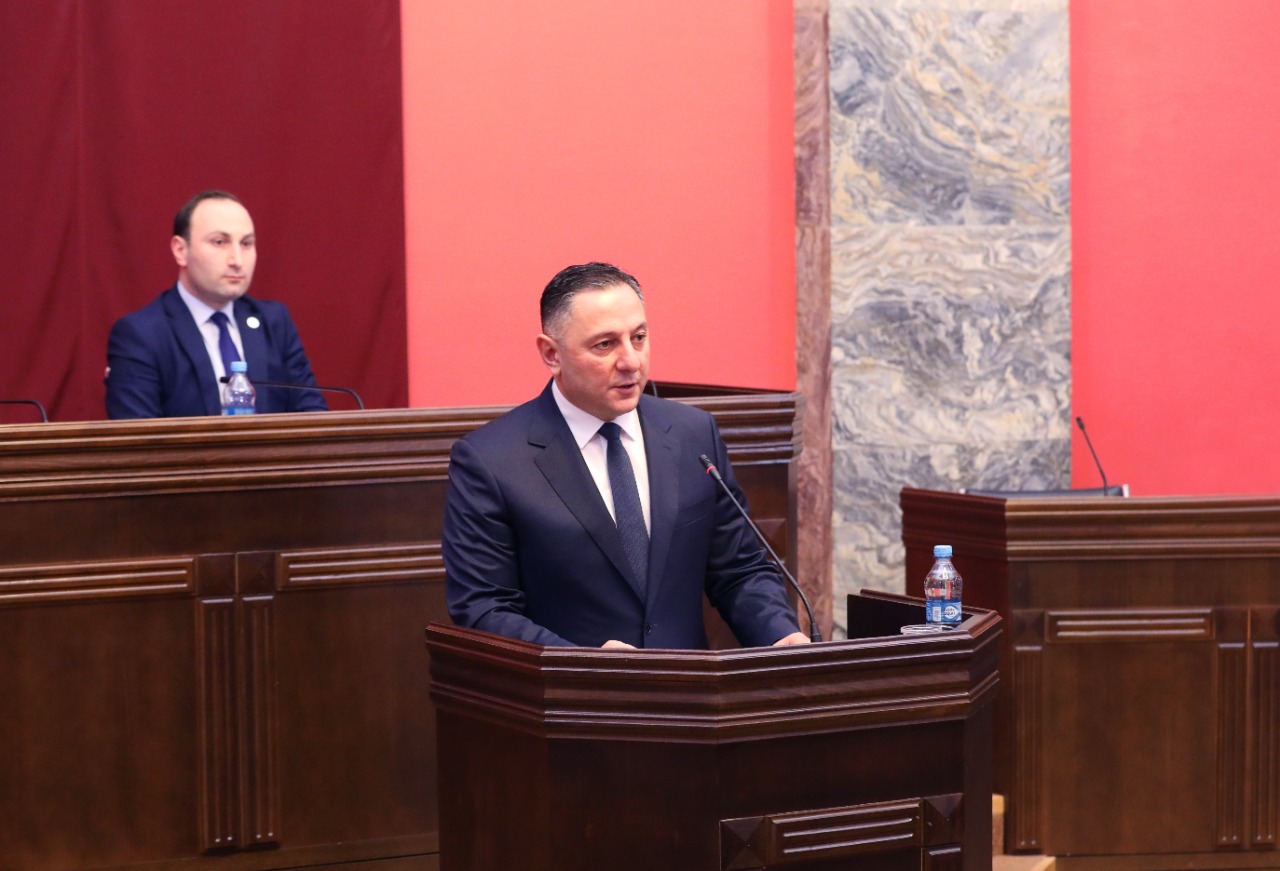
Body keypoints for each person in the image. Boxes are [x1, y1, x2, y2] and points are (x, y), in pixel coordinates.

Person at [443, 262, 809, 649]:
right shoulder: (491, 461)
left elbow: (739, 569)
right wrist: (583, 664)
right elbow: (484, 608)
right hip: (572, 687)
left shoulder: (692, 433)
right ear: (552, 354)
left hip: (690, 685)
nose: (631, 361)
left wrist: (779, 634)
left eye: (638, 338)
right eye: (605, 344)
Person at [105, 190, 328, 418]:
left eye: (246, 243)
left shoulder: (273, 322)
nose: (237, 260)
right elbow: (138, 434)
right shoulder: (142, 335)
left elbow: (313, 417)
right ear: (181, 250)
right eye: (219, 242)